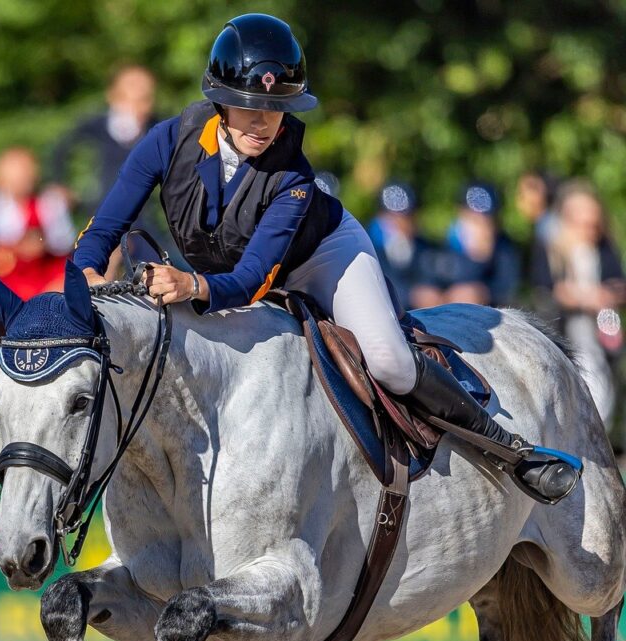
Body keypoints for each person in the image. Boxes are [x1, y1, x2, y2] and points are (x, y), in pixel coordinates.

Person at [71, 13, 578, 504]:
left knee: (389, 363)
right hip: (228, 272)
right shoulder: (167, 140)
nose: (263, 122)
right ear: (220, 102)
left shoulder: (292, 174)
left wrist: (193, 286)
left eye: (277, 108)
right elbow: (107, 224)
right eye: (249, 106)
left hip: (325, 256)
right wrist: (86, 275)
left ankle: (510, 449)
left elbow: (254, 279)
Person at [532, 180, 625, 429]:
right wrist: (585, 296)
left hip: (599, 336)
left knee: (602, 393)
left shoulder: (603, 248)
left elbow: (618, 283)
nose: (589, 230)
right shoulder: (552, 249)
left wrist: (606, 295)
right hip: (564, 332)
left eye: (594, 224)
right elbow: (547, 290)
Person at [0, 146, 77, 301]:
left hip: (47, 284)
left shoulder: (49, 204)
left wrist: (40, 245)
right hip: (2, 288)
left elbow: (64, 246)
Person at [52, 66, 158, 211]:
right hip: (95, 215)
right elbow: (60, 154)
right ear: (112, 96)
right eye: (128, 98)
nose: (137, 107)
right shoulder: (89, 129)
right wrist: (64, 187)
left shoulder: (160, 132)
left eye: (144, 99)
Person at [412, 183, 520, 309]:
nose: (481, 228)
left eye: (486, 222)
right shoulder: (442, 247)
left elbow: (507, 289)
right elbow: (425, 282)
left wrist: (482, 292)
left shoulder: (504, 250)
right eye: (474, 220)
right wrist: (428, 293)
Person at [366, 181, 437, 309]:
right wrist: (411, 295)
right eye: (394, 218)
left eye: (407, 217)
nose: (402, 224)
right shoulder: (366, 246)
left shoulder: (423, 246)